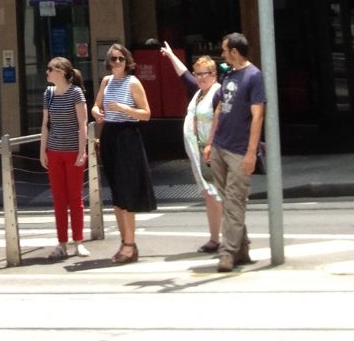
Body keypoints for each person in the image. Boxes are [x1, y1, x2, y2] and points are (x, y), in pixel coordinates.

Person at [203, 31, 266, 273]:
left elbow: (258, 115)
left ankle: (227, 252)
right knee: (230, 202)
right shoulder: (228, 74)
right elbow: (219, 109)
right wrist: (210, 142)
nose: (222, 53)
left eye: (224, 49)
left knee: (235, 201)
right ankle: (242, 248)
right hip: (220, 146)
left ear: (235, 52)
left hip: (239, 150)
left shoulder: (254, 76)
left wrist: (251, 153)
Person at [91, 43, 155, 263]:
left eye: (121, 59)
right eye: (113, 59)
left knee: (127, 193)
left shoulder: (133, 82)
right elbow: (96, 106)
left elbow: (146, 114)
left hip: (128, 136)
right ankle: (126, 243)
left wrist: (123, 109)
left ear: (127, 62)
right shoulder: (106, 81)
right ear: (108, 62)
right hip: (110, 134)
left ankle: (129, 245)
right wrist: (98, 112)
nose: (117, 62)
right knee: (117, 193)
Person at [160, 42, 223, 252]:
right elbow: (184, 75)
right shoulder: (199, 92)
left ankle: (232, 237)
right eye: (198, 74)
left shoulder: (217, 93)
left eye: (204, 73)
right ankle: (215, 238)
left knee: (219, 195)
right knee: (209, 196)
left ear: (214, 74)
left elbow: (220, 120)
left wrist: (212, 145)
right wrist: (171, 56)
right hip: (200, 153)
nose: (200, 77)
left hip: (215, 152)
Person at [39, 56, 90, 260]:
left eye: (50, 69)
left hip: (71, 151)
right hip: (54, 150)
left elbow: (82, 123)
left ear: (60, 72)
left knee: (75, 198)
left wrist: (81, 151)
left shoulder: (76, 93)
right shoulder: (49, 93)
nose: (47, 72)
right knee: (59, 199)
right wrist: (42, 150)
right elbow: (45, 124)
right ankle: (62, 243)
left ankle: (78, 242)